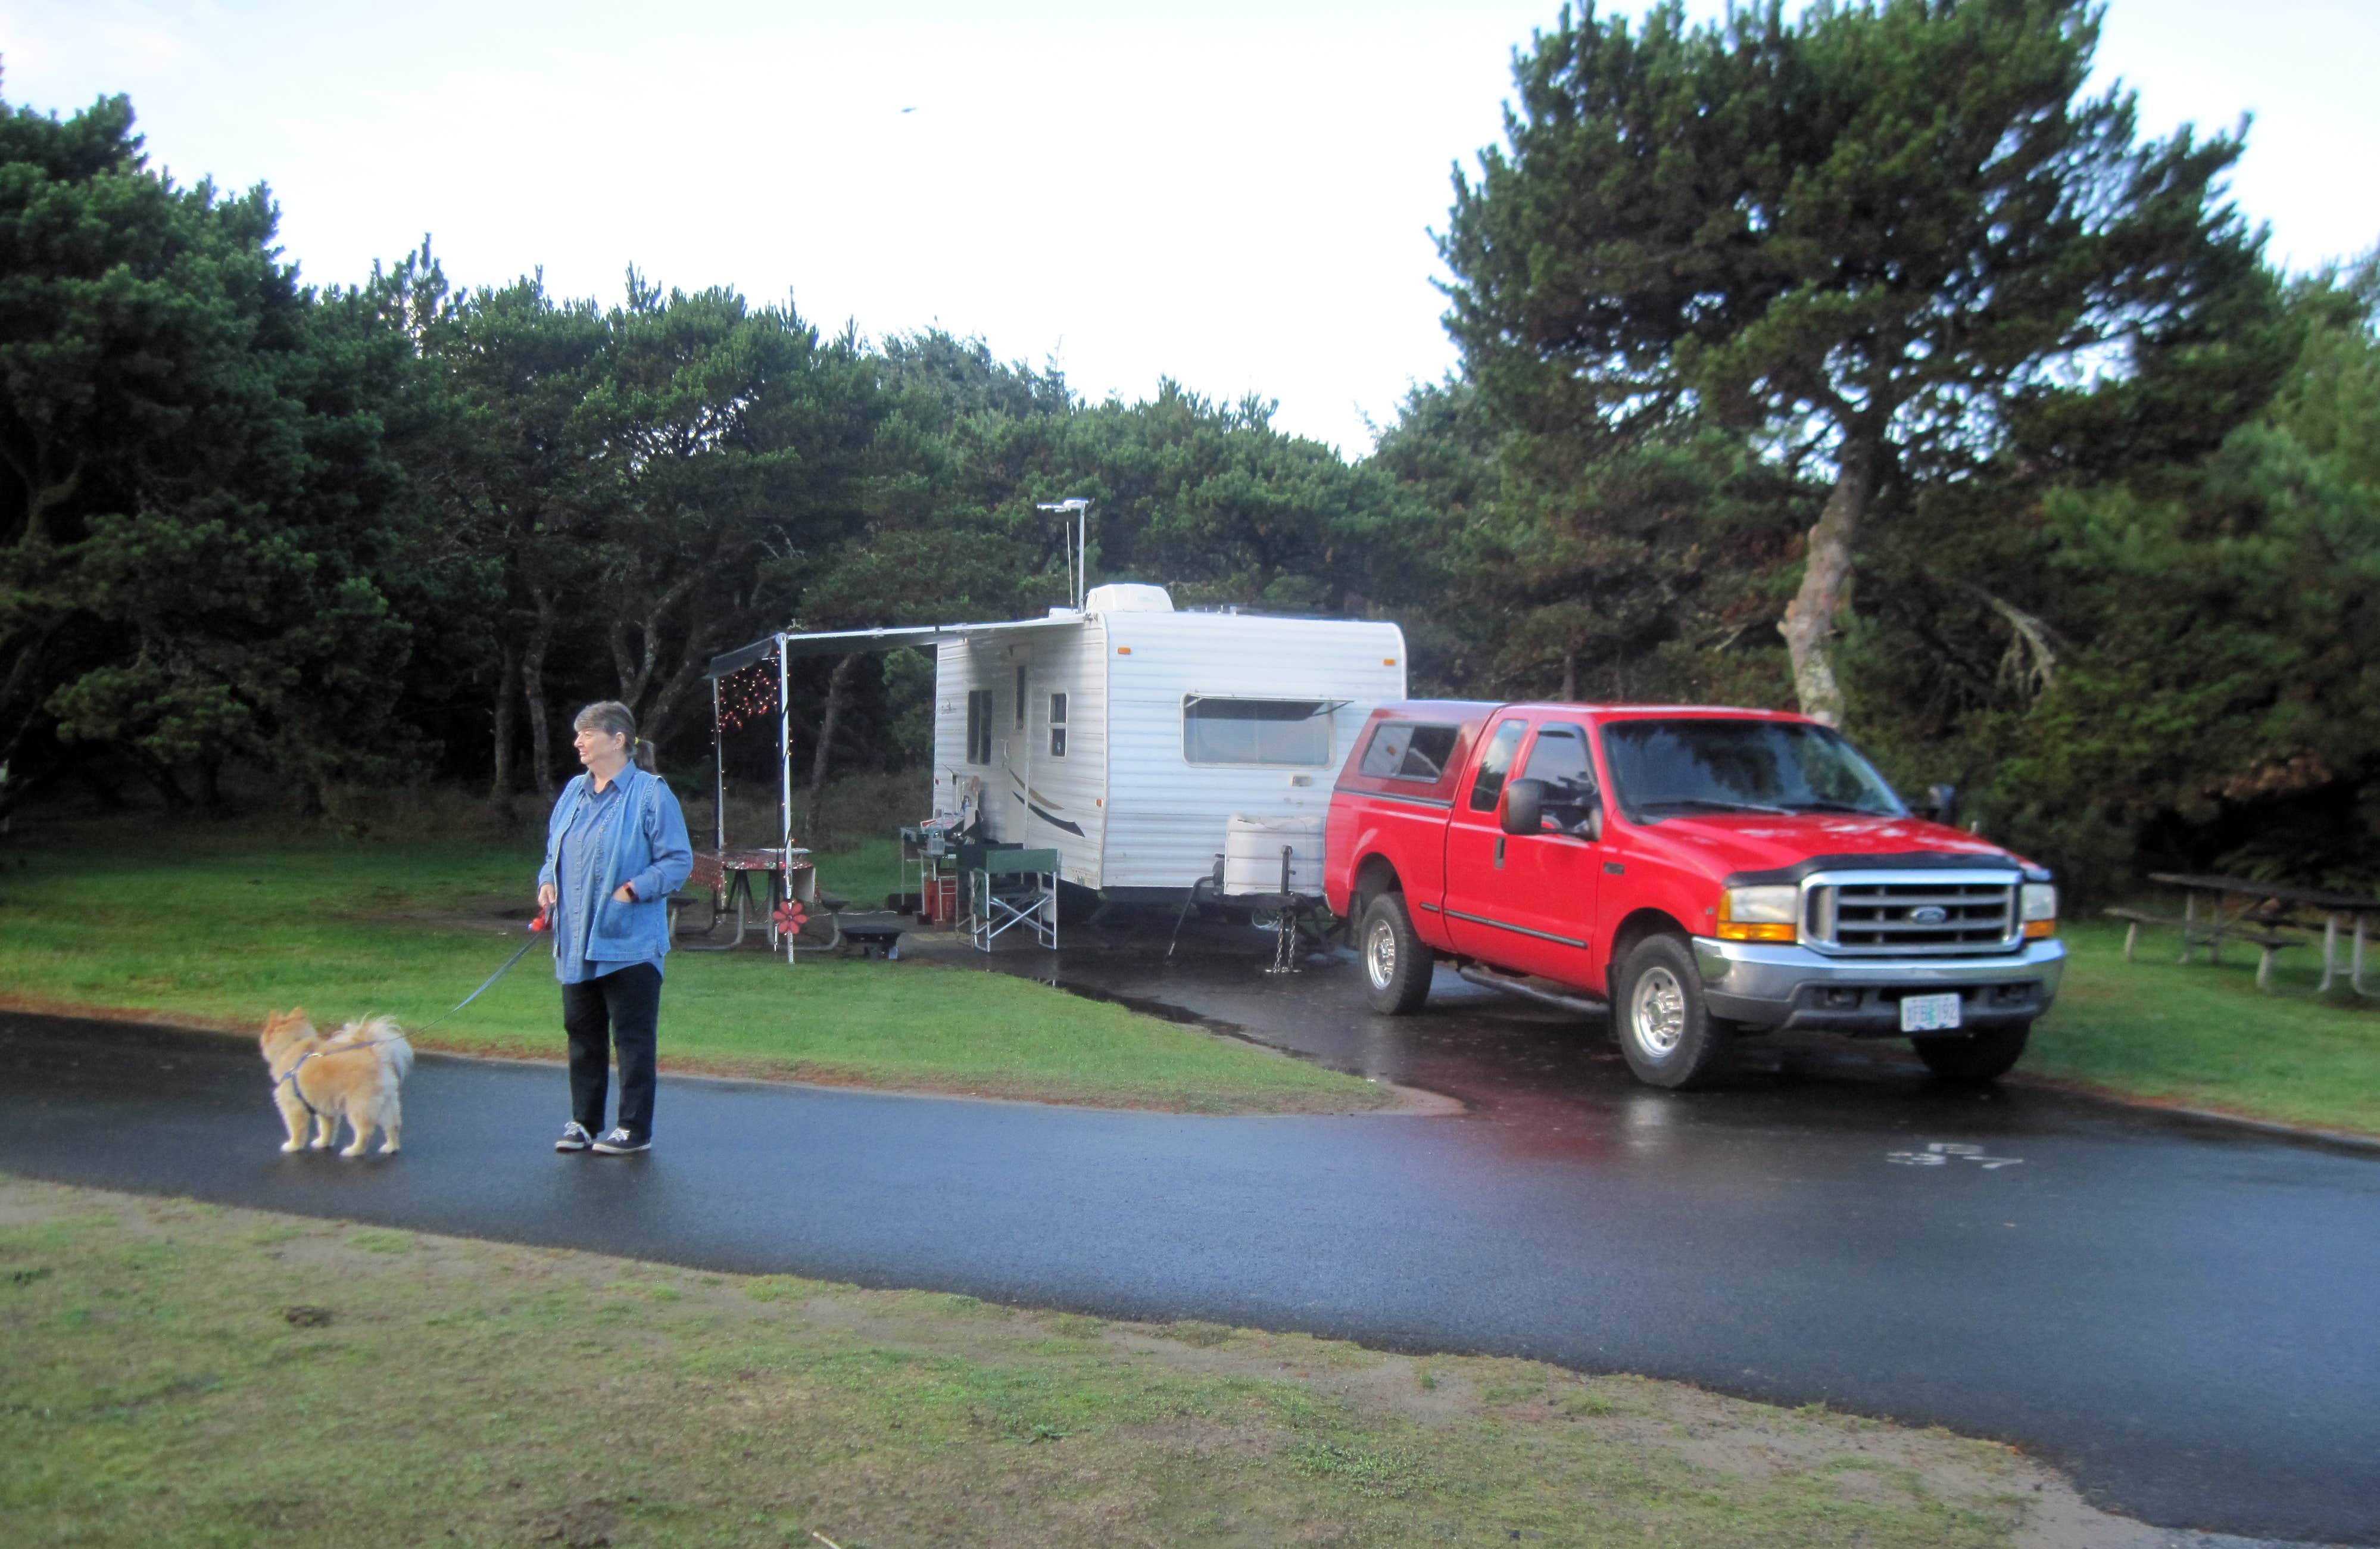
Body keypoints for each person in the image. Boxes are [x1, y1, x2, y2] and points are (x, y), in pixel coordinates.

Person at [536, 702, 693, 1155]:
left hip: (630, 942)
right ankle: (583, 1122)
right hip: (575, 941)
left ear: (617, 739)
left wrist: (633, 890)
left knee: (632, 1038)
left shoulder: (651, 793)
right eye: (577, 734)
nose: (578, 742)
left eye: (586, 734)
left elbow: (677, 861)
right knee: (581, 1034)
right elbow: (553, 852)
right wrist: (547, 882)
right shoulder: (572, 791)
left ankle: (633, 1129)